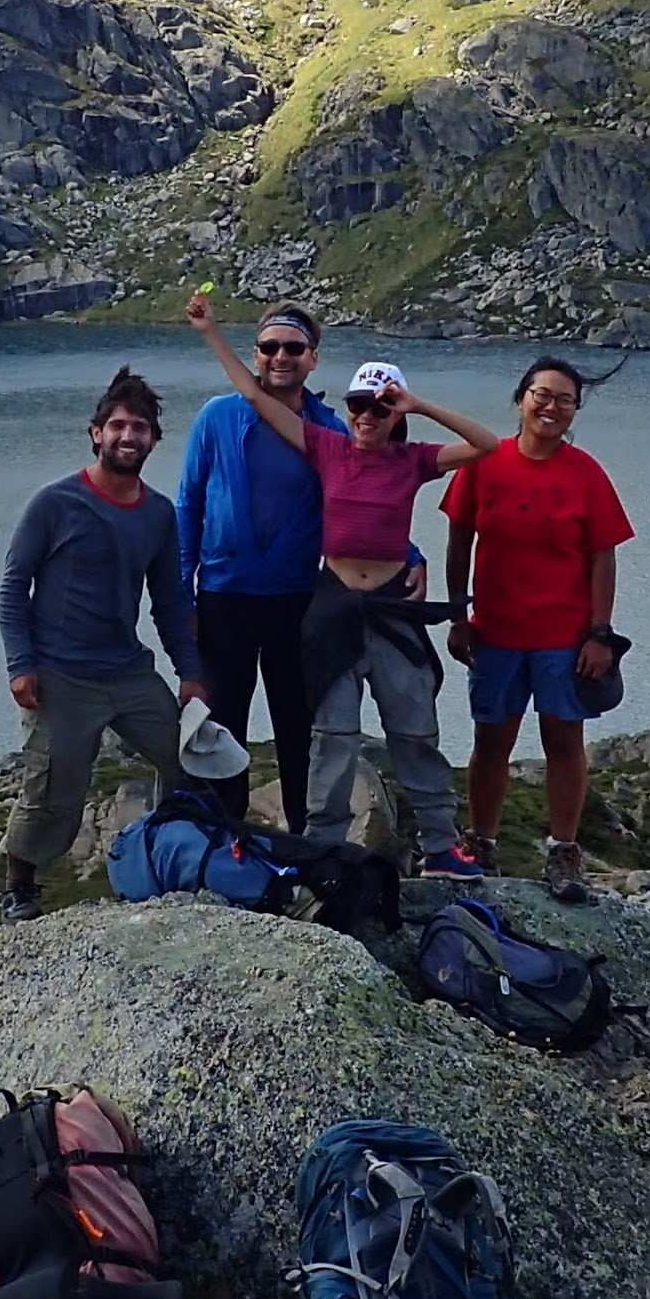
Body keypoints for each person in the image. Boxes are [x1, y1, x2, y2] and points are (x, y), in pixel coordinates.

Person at [186, 295, 493, 876]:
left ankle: (426, 845)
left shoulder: (395, 453)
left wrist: (419, 405)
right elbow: (246, 405)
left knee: (393, 728)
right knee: (299, 730)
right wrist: (210, 332)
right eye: (359, 404)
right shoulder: (312, 441)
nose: (368, 415)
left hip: (357, 606)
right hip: (284, 602)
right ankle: (276, 846)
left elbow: (485, 447)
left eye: (381, 406)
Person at [0, 365, 208, 920]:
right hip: (60, 675)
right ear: (96, 433)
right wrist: (20, 665)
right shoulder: (54, 503)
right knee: (52, 788)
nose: (127, 436)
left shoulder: (159, 514)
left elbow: (170, 602)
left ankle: (168, 857)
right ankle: (19, 887)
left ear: (154, 439)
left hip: (128, 672)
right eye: (117, 426)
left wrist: (190, 673)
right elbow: (14, 587)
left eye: (139, 427)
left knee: (191, 759)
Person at [442, 355, 632, 903]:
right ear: (521, 398)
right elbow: (459, 542)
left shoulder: (586, 473)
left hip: (563, 638)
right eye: (541, 395)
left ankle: (564, 851)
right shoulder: (484, 463)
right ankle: (481, 843)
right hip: (496, 631)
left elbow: (603, 557)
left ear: (575, 411)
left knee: (564, 742)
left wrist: (600, 633)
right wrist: (458, 617)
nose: (551, 407)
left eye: (565, 400)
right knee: (490, 741)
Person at [174, 300, 345, 832]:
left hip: (297, 601)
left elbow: (360, 503)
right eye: (270, 347)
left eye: (293, 348)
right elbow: (188, 505)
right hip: (224, 598)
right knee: (223, 726)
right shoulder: (218, 417)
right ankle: (226, 840)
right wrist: (182, 594)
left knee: (298, 727)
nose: (280, 357)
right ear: (255, 355)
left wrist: (408, 556)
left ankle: (303, 839)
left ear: (313, 358)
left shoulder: (329, 429)